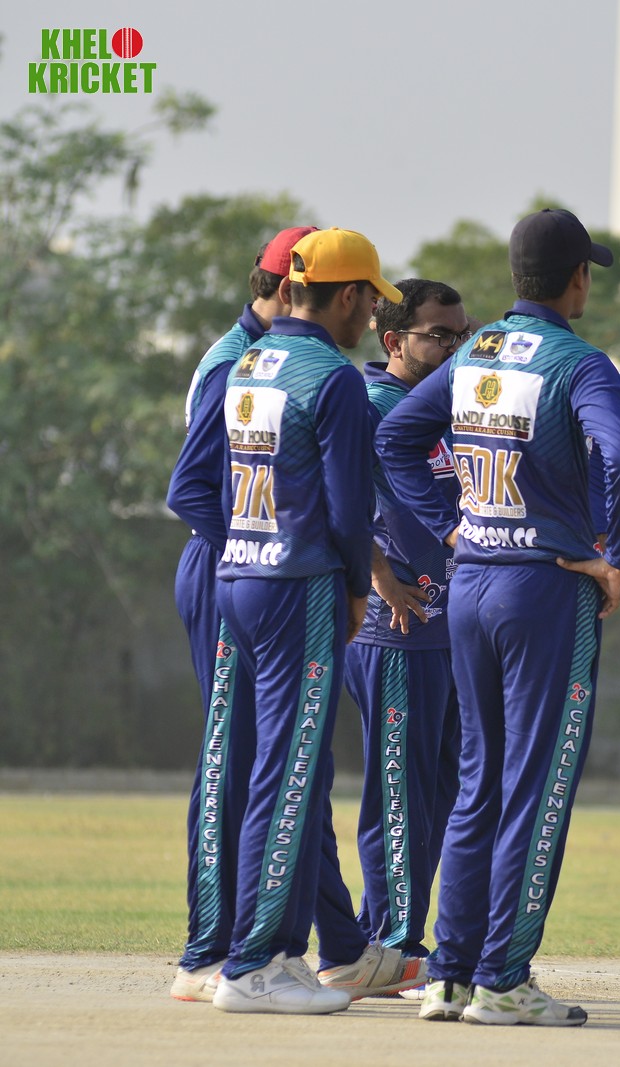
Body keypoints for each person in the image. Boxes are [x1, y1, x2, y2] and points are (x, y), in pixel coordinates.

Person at [375, 208, 620, 1026]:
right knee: (537, 783)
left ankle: (450, 975)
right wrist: (616, 554)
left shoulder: (477, 350)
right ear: (577, 279)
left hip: (471, 585)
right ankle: (503, 976)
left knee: (476, 782)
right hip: (544, 589)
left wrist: (453, 524)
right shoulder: (580, 361)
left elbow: (396, 437)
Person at [199, 227, 402, 1013]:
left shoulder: (249, 362)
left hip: (240, 575)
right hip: (299, 583)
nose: (371, 317)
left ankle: (281, 953)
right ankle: (252, 964)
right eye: (370, 301)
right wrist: (356, 588)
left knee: (281, 769)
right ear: (347, 296)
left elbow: (209, 481)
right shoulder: (336, 378)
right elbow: (351, 508)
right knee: (287, 773)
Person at [165, 225, 311, 1002]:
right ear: (289, 288)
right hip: (229, 564)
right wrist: (248, 550)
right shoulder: (236, 360)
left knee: (276, 759)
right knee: (229, 756)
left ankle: (301, 940)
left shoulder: (273, 355)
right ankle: (207, 950)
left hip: (253, 569)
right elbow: (192, 489)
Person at [342, 278, 470, 965]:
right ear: (393, 340)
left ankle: (383, 934)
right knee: (399, 797)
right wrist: (378, 575)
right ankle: (392, 942)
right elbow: (335, 494)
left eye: (461, 334)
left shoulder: (445, 407)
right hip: (396, 629)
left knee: (440, 795)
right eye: (438, 335)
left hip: (450, 628)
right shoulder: (370, 404)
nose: (454, 347)